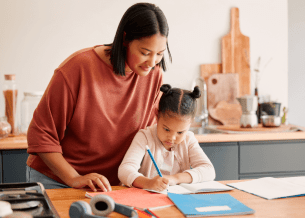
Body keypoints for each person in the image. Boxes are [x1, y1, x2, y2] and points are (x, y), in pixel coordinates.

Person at [26, 2, 172, 192]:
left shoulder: (153, 75)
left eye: (159, 54)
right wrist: (74, 178)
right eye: (145, 53)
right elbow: (41, 134)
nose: (152, 63)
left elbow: (148, 133)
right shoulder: (77, 68)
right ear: (125, 39)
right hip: (57, 180)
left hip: (107, 186)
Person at [118, 84, 215, 192]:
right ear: (157, 116)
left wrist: (174, 179)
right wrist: (148, 183)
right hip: (146, 199)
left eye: (180, 132)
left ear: (190, 124)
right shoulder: (144, 137)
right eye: (166, 129)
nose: (172, 138)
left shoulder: (188, 140)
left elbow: (209, 170)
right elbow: (124, 171)